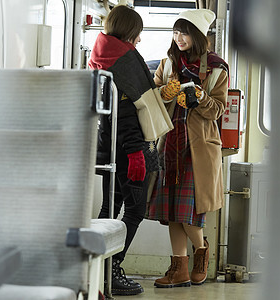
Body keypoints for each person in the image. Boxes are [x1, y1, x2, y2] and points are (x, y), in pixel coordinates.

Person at [88, 5, 173, 296]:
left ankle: (99, 269)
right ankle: (112, 268)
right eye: (137, 34)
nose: (138, 40)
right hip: (127, 149)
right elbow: (125, 111)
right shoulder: (123, 59)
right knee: (134, 210)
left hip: (108, 147)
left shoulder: (101, 54)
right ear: (129, 32)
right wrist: (137, 151)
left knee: (109, 210)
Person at [146, 8, 229, 288]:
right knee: (172, 211)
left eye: (184, 32)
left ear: (198, 36)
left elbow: (218, 110)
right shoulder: (167, 63)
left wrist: (201, 98)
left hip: (198, 148)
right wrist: (163, 94)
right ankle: (178, 269)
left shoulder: (217, 68)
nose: (178, 38)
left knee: (189, 213)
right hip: (170, 144)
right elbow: (152, 99)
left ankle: (201, 250)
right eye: (175, 32)